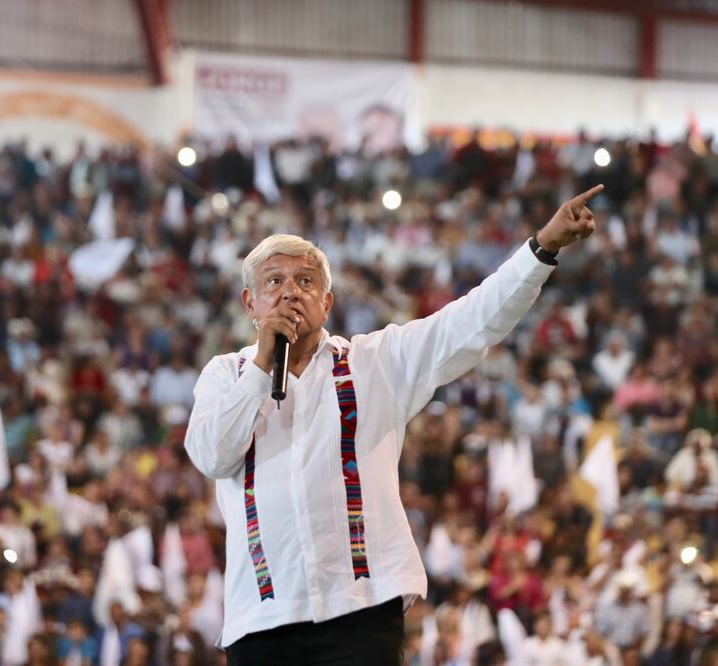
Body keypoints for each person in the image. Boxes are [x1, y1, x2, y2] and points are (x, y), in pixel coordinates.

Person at [184, 185, 604, 664]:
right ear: (249, 304)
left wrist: (542, 247)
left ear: (328, 302)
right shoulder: (225, 375)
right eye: (274, 282)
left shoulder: (375, 361)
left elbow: (473, 321)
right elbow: (212, 456)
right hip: (262, 620)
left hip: (361, 612)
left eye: (305, 281)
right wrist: (261, 367)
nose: (290, 292)